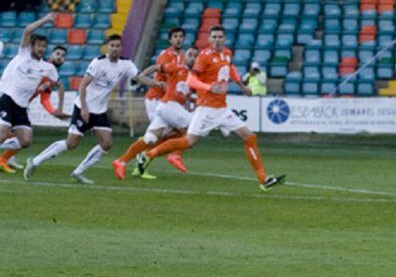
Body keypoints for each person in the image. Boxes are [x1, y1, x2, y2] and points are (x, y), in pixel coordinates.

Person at [136, 26, 284, 191]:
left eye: (220, 37)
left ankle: (263, 179)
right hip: (206, 108)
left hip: (222, 109)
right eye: (214, 37)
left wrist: (241, 85)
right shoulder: (204, 57)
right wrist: (209, 88)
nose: (217, 40)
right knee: (188, 142)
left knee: (249, 137)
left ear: (224, 38)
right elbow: (191, 80)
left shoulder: (227, 53)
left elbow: (230, 68)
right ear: (210, 39)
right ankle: (148, 155)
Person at [25, 34, 155, 184]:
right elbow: (82, 85)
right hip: (83, 106)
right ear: (108, 46)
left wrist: (156, 84)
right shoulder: (98, 63)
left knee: (107, 143)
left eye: (117, 46)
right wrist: (84, 109)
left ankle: (78, 172)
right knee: (71, 143)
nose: (114, 48)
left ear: (121, 47)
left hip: (99, 111)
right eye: (112, 45)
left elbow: (139, 77)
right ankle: (35, 161)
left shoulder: (126, 64)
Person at [112, 28, 192, 179]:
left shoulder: (181, 56)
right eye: (175, 36)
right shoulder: (167, 55)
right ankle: (170, 155)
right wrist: (148, 79)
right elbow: (161, 72)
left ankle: (127, 163)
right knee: (185, 131)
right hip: (157, 99)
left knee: (153, 138)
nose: (178, 39)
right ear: (170, 40)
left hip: (167, 101)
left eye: (181, 36)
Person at [0, 14, 68, 172]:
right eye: (38, 46)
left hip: (22, 107)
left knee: (26, 141)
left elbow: (60, 86)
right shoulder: (23, 54)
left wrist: (58, 108)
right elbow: (27, 30)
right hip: (7, 100)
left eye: (44, 47)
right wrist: (45, 19)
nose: (41, 49)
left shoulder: (48, 68)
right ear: (31, 46)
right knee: (2, 135)